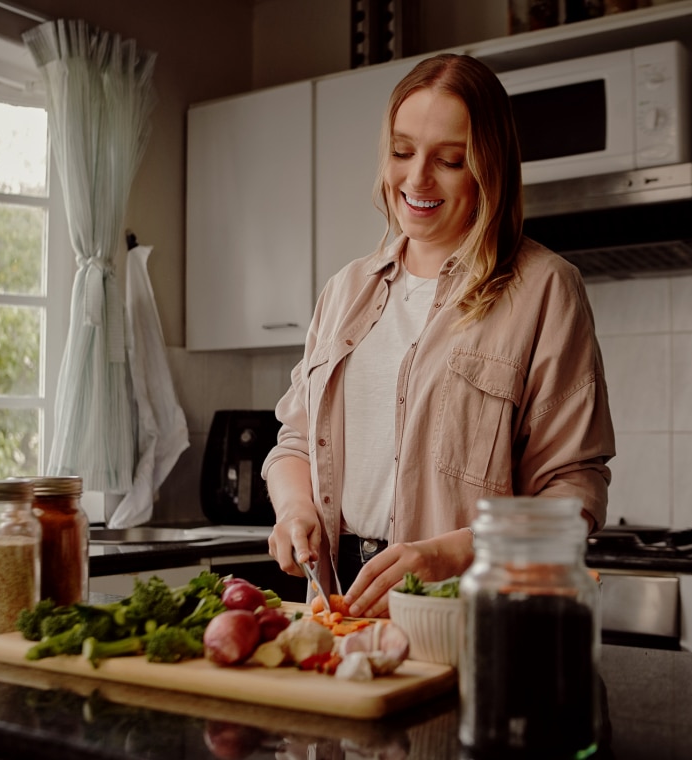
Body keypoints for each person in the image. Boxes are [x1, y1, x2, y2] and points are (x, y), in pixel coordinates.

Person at [262, 53, 615, 618]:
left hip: (467, 606)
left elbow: (573, 492)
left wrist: (452, 555)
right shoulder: (346, 288)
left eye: (450, 160)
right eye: (402, 152)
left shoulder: (545, 289)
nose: (417, 178)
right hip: (339, 598)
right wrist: (293, 508)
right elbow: (295, 443)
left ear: (488, 169)